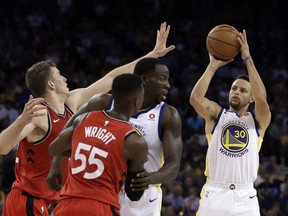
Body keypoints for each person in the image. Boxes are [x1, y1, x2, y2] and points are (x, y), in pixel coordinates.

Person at [0, 22, 175, 216]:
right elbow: (2, 147)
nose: (65, 78)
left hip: (52, 201)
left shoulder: (71, 102)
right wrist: (21, 121)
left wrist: (150, 56)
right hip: (27, 201)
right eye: (59, 75)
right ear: (50, 84)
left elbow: (109, 80)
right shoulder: (39, 115)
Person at [48, 57, 183, 216]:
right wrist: (56, 164)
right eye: (162, 79)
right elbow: (71, 128)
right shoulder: (103, 102)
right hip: (100, 189)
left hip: (141, 196)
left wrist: (147, 178)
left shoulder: (168, 115)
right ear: (145, 80)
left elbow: (173, 166)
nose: (167, 85)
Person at [189, 30, 271, 215]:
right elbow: (195, 99)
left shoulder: (258, 120)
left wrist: (247, 58)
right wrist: (212, 66)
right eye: (234, 88)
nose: (236, 92)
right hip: (215, 192)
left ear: (251, 98)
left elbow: (262, 99)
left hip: (246, 196)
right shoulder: (217, 115)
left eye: (243, 90)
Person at [48, 73, 148, 215]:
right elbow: (134, 194)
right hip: (101, 207)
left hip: (67, 205)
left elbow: (53, 149)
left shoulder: (84, 118)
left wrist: (81, 149)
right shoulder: (134, 141)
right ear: (137, 100)